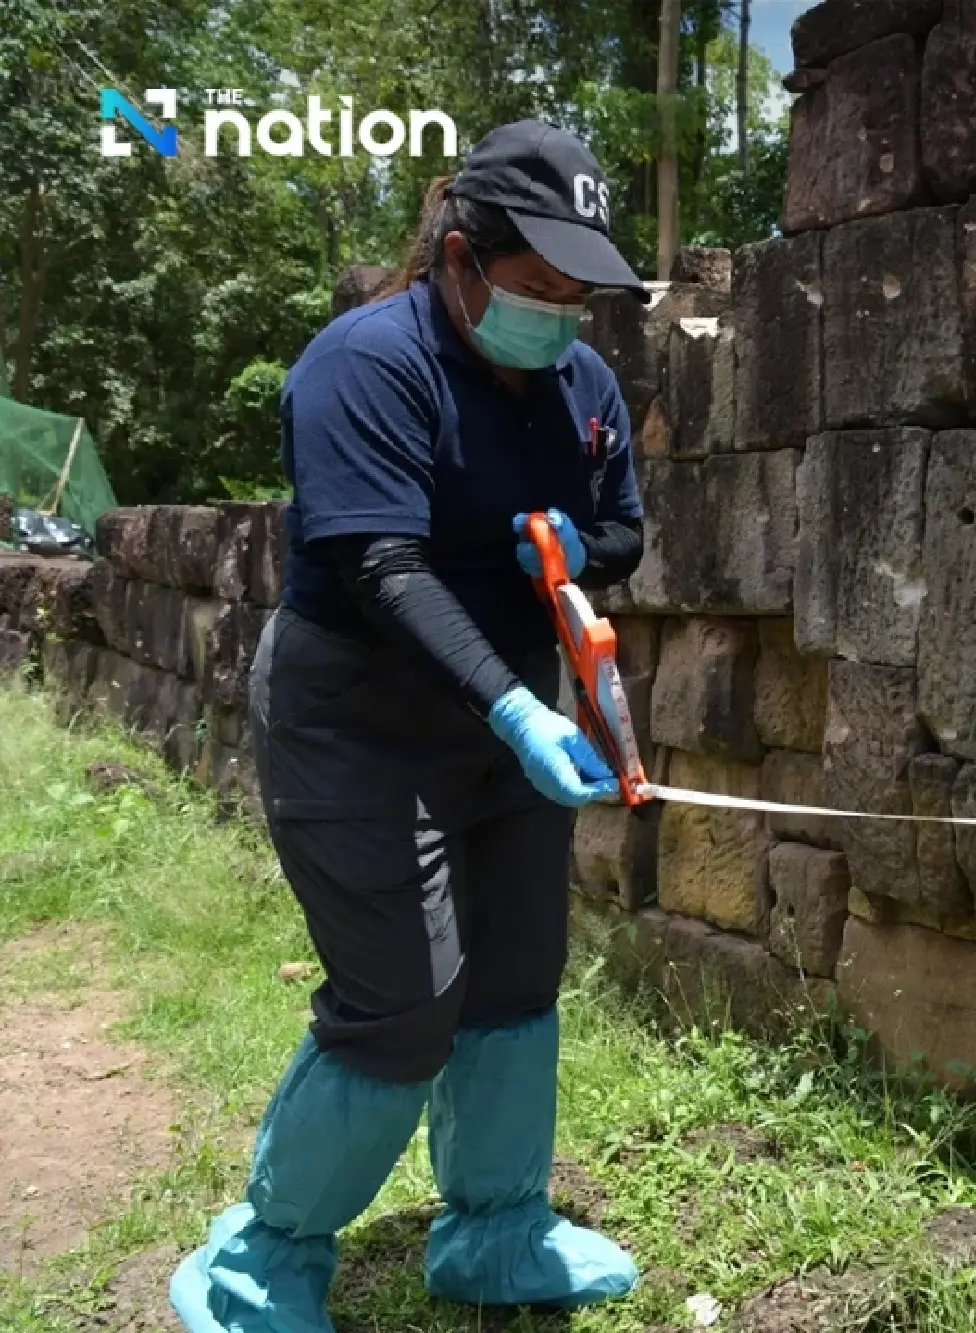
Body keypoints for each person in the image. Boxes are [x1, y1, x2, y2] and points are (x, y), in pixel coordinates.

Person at [171, 120, 650, 1332]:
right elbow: (381, 563)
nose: (558, 315)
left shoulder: (582, 385)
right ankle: (261, 1261)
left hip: (515, 711)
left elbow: (623, 532)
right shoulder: (363, 365)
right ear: (457, 257)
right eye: (536, 288)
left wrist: (564, 553)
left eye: (576, 295)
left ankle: (493, 1230)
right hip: (360, 713)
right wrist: (508, 703)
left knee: (515, 974)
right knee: (402, 996)